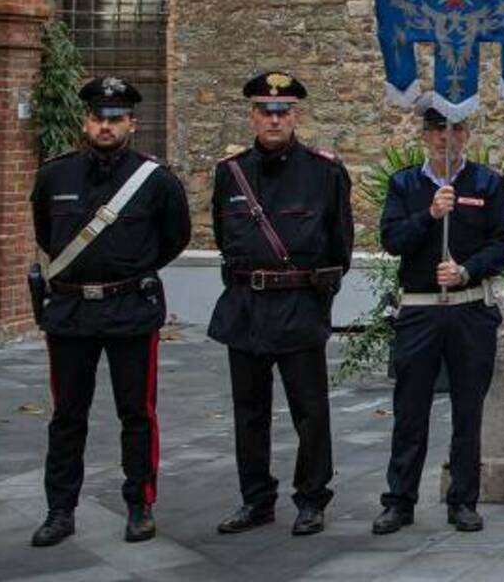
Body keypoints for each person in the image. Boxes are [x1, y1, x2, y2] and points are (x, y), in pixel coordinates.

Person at [27, 77, 191, 548]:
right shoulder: (54, 175)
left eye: (115, 119)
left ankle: (139, 505)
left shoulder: (155, 180)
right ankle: (60, 510)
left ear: (132, 125)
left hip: (130, 310)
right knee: (67, 416)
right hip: (71, 312)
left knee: (136, 413)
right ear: (86, 121)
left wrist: (130, 269)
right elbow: (46, 233)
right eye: (98, 118)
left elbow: (174, 238)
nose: (105, 126)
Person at [208, 71, 353, 537]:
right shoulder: (229, 173)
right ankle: (256, 499)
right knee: (249, 413)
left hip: (298, 306)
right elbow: (223, 236)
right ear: (252, 116)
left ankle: (311, 499)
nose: (274, 120)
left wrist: (317, 298)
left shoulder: (325, 172)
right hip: (246, 307)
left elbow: (340, 246)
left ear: (296, 116)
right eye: (265, 112)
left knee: (309, 411)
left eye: (283, 111)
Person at [372, 104, 504, 535]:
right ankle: (399, 500)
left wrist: (467, 270)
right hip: (419, 310)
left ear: (465, 135)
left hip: (469, 308)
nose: (445, 138)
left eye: (454, 129)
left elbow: (503, 241)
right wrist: (429, 215)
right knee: (410, 409)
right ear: (425, 136)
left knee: (467, 410)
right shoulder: (404, 184)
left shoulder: (488, 183)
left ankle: (463, 500)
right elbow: (392, 239)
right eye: (437, 130)